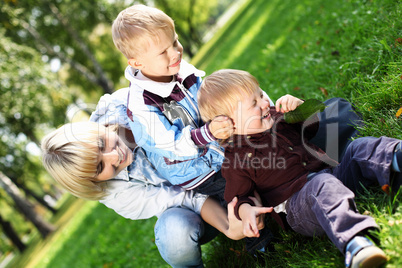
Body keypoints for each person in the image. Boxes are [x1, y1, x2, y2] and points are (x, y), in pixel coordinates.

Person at [198, 69, 402, 268]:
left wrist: (299, 108)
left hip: (332, 174)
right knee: (322, 185)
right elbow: (240, 197)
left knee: (357, 148)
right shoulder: (237, 159)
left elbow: (313, 126)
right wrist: (247, 211)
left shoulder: (275, 117)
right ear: (230, 124)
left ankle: (395, 158)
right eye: (254, 103)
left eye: (261, 94)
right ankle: (356, 244)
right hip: (301, 207)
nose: (264, 102)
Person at [41, 120, 271, 267]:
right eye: (100, 167)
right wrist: (229, 228)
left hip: (224, 161)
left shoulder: (128, 108)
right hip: (204, 205)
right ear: (92, 181)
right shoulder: (117, 195)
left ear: (97, 128)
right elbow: (186, 198)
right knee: (173, 230)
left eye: (102, 144)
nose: (114, 157)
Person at [111, 4, 244, 203]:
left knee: (255, 161)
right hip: (195, 170)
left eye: (175, 42)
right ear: (137, 63)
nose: (175, 53)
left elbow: (204, 99)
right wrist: (208, 133)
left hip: (216, 146)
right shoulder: (142, 105)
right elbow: (170, 145)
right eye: (163, 51)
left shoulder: (177, 69)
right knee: (238, 192)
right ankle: (260, 230)